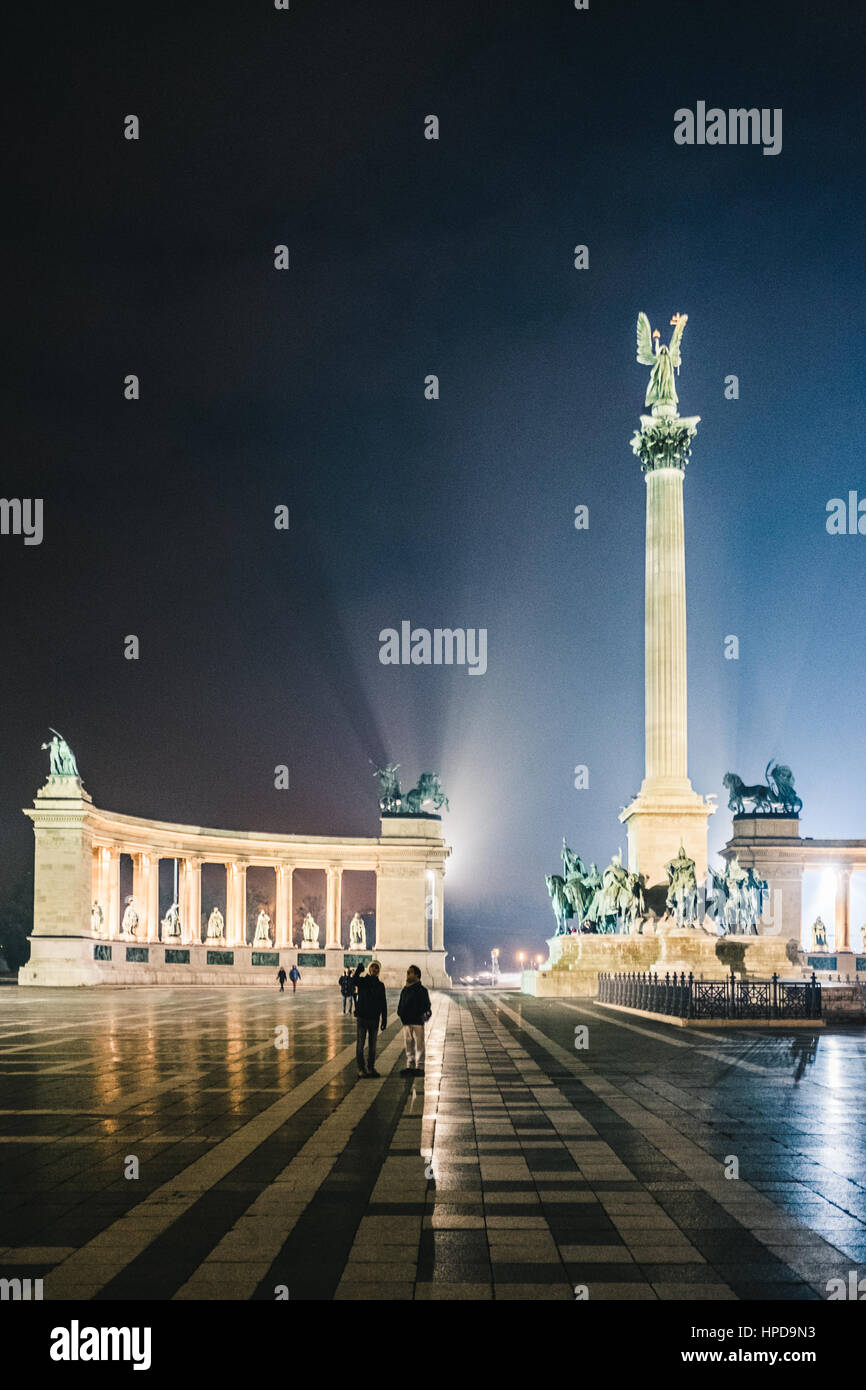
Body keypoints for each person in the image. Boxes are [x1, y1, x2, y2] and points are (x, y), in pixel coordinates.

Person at [351, 960, 387, 1078]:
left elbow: (383, 1003)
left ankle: (370, 1068)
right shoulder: (363, 981)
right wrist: (358, 971)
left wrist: (384, 1019)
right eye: (372, 967)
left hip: (374, 1019)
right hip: (362, 1017)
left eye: (377, 968)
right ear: (369, 969)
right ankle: (361, 1069)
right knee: (360, 1045)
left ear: (379, 971)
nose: (374, 969)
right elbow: (353, 981)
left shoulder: (380, 985)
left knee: (372, 1046)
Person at [397, 965, 432, 1077]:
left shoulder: (422, 990)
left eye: (410, 972)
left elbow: (427, 1005)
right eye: (407, 972)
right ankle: (410, 1065)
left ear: (417, 975)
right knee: (408, 1044)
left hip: (417, 1021)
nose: (408, 974)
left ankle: (420, 1066)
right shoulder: (405, 990)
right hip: (407, 1021)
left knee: (419, 1045)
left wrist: (424, 1015)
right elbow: (400, 1004)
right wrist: (401, 1014)